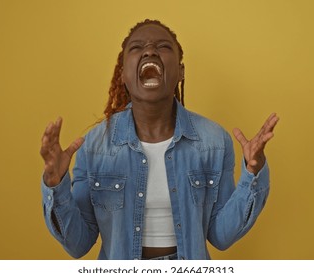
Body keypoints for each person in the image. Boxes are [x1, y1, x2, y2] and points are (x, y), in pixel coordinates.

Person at [40, 19, 279, 260]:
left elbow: (221, 235)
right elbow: (78, 243)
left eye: (163, 46)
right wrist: (55, 183)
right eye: (136, 47)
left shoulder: (214, 141)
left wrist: (252, 173)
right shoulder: (95, 145)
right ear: (122, 74)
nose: (150, 50)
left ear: (180, 71)